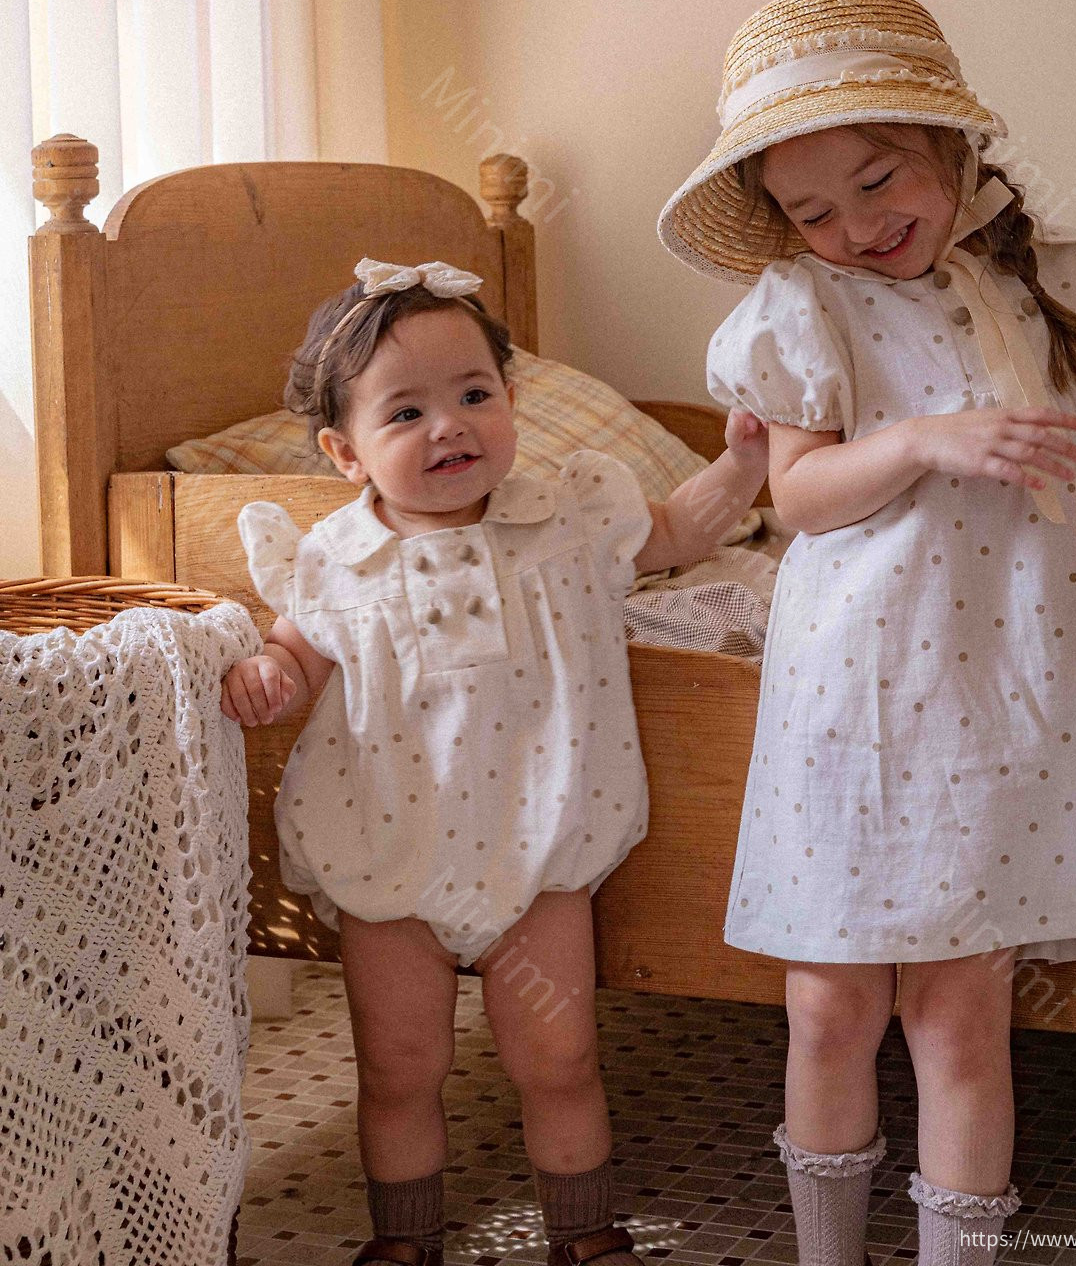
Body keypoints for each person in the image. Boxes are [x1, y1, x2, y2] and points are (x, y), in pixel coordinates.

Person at [659, 0, 1076, 1266]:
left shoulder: (1071, 277)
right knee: (827, 1007)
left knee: (961, 1019)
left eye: (877, 178)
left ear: (951, 144)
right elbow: (795, 495)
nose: (855, 226)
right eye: (812, 211)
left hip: (1008, 684)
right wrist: (919, 440)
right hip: (856, 696)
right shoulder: (806, 305)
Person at [221, 257, 768, 1266]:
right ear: (345, 452)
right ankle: (405, 1238)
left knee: (559, 1056)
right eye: (406, 413)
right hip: (389, 853)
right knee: (398, 1066)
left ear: (512, 401)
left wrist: (742, 463)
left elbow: (679, 532)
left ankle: (584, 1229)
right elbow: (297, 651)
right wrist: (267, 673)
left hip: (535, 844)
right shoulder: (338, 559)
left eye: (474, 395)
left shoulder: (565, 518)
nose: (449, 427)